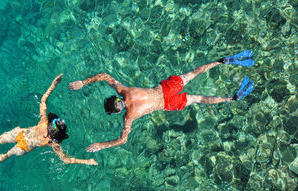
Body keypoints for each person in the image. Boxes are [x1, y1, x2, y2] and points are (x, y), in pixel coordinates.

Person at [68, 50, 255, 152]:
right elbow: (104, 76)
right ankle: (223, 61)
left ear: (118, 111)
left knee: (198, 98)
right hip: (166, 88)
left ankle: (231, 98)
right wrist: (82, 82)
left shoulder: (129, 117)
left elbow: (123, 140)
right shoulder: (124, 90)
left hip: (168, 103)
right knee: (193, 73)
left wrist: (102, 145)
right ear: (116, 98)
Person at [0, 74, 97, 182]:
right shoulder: (52, 142)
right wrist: (87, 162)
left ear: (52, 123)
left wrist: (54, 84)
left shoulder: (43, 121)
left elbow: (44, 99)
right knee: (6, 155)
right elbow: (66, 160)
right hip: (24, 147)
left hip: (20, 133)